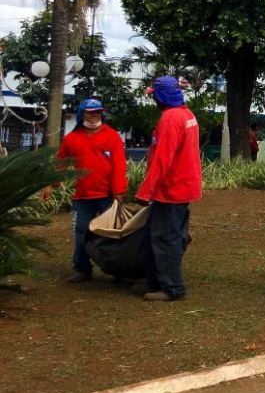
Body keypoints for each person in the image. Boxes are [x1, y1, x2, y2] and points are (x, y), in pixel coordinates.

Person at [136, 76, 203, 301]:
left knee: (165, 238)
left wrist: (146, 191)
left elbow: (162, 159)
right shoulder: (186, 114)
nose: (153, 99)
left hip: (171, 189)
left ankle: (172, 288)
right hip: (183, 187)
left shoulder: (170, 119)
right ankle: (155, 281)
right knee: (164, 235)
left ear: (161, 96)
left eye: (153, 95)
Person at [56, 98, 127, 283]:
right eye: (90, 112)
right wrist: (52, 184)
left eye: (97, 112)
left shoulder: (112, 136)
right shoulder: (72, 138)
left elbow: (119, 165)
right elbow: (60, 162)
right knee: (81, 233)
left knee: (110, 234)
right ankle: (82, 269)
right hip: (83, 196)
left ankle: (118, 271)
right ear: (82, 114)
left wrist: (119, 191)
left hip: (108, 196)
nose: (94, 116)